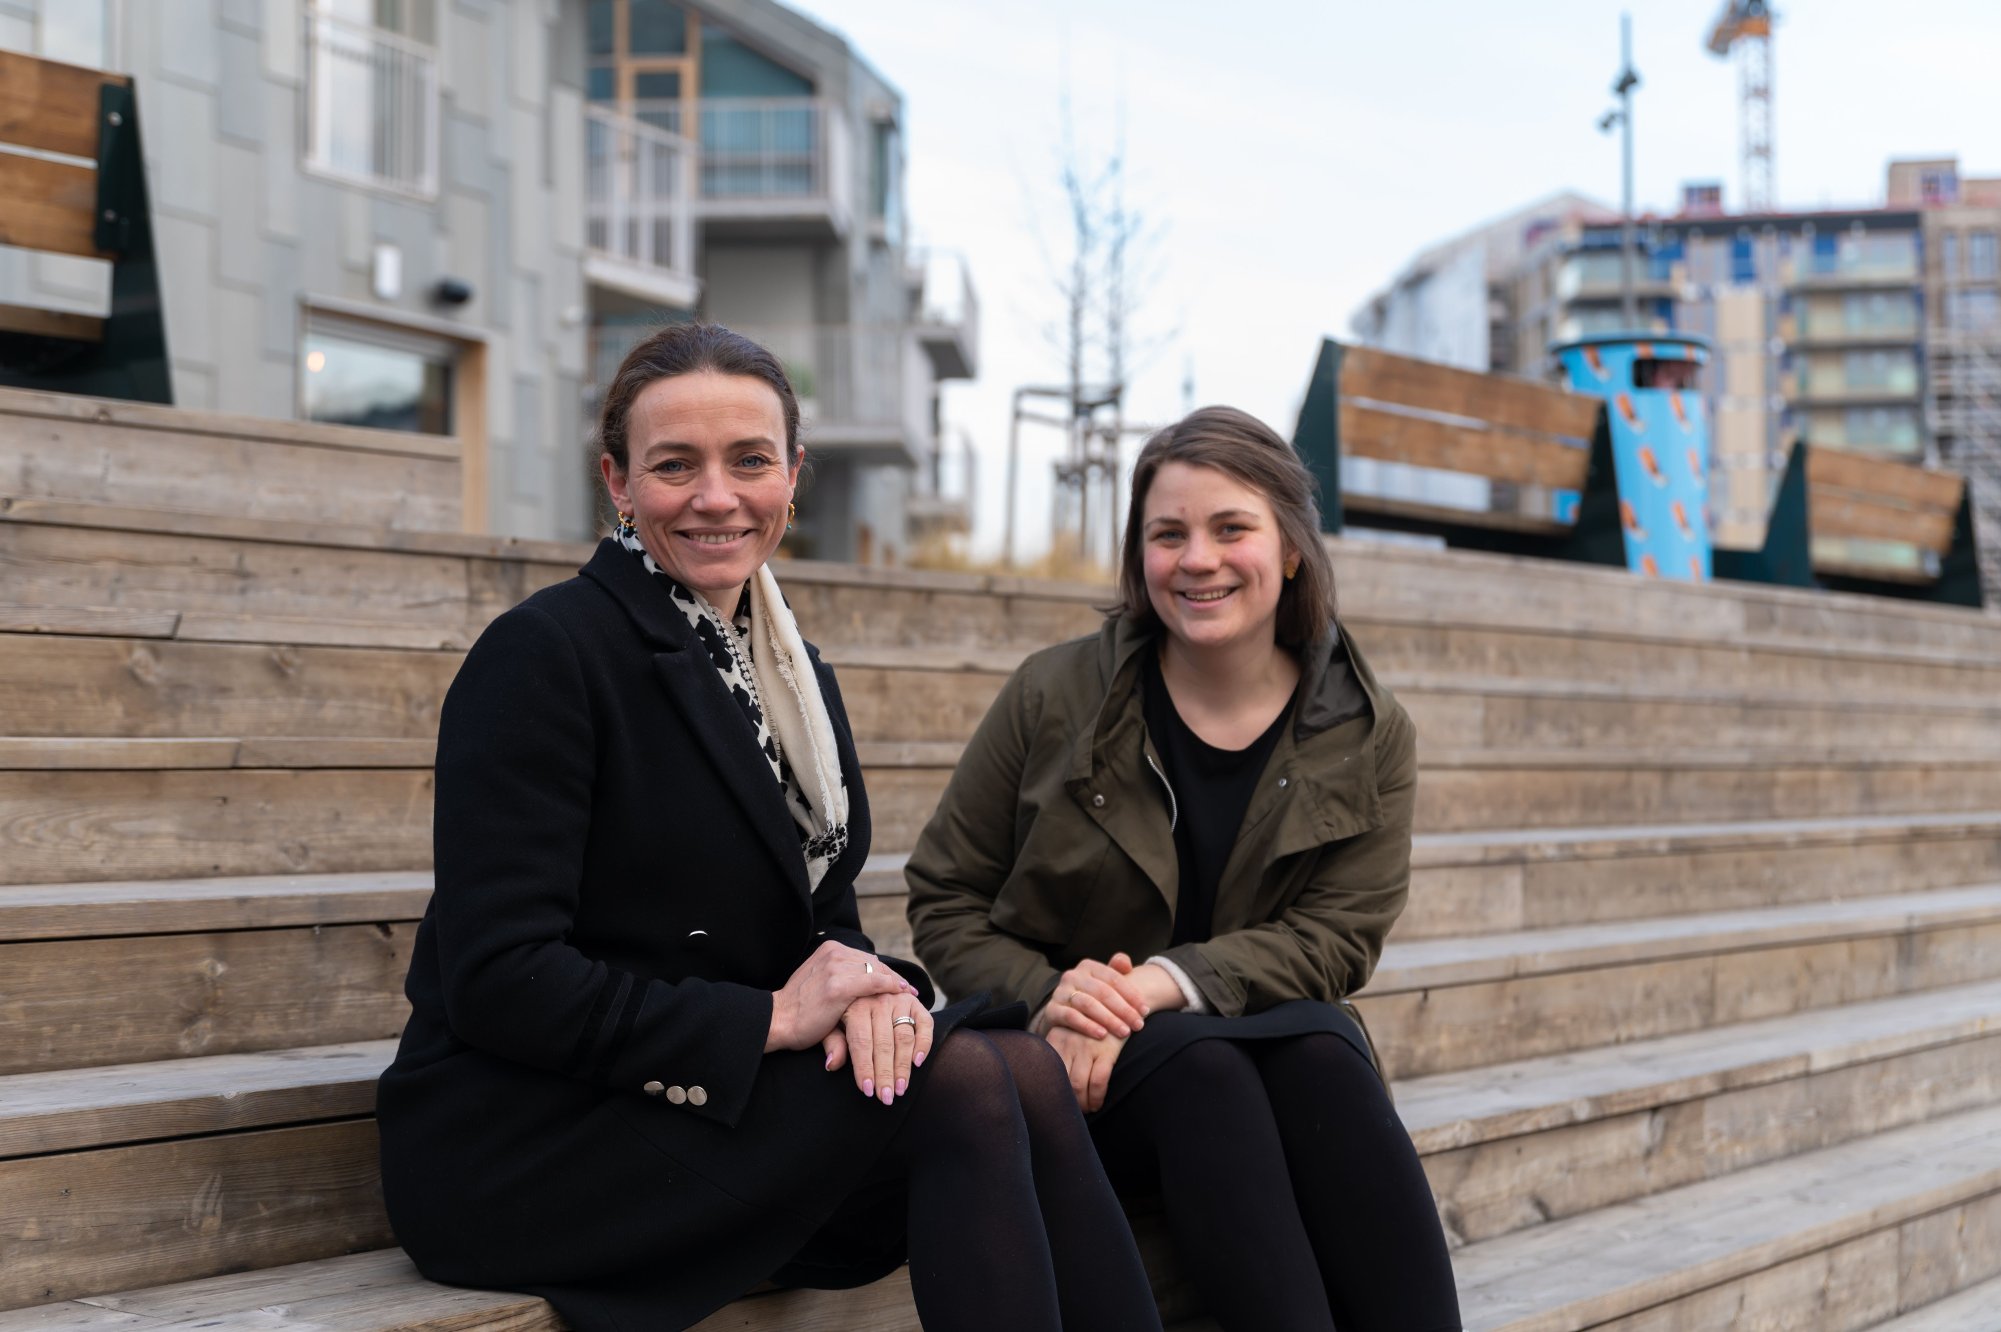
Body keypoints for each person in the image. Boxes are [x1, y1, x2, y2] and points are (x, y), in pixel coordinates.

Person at [376, 323, 1162, 1332]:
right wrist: (770, 1021)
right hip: (534, 1136)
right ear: (617, 482)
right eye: (675, 465)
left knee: (1013, 1068)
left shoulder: (791, 673)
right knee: (969, 1079)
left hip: (715, 1102)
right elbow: (502, 980)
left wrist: (867, 995)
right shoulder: (544, 656)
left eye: (749, 461)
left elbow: (820, 923)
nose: (717, 497)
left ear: (793, 476)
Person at [906, 406, 1464, 1332]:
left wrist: (1163, 984)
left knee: (1323, 1053)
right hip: (1087, 1076)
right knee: (1204, 1068)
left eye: (1230, 528)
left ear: (1291, 549)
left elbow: (1337, 937)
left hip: (1268, 1069)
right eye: (1168, 535)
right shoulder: (1054, 695)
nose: (1198, 559)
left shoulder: (1364, 731)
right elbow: (946, 895)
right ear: (1140, 557)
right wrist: (1055, 999)